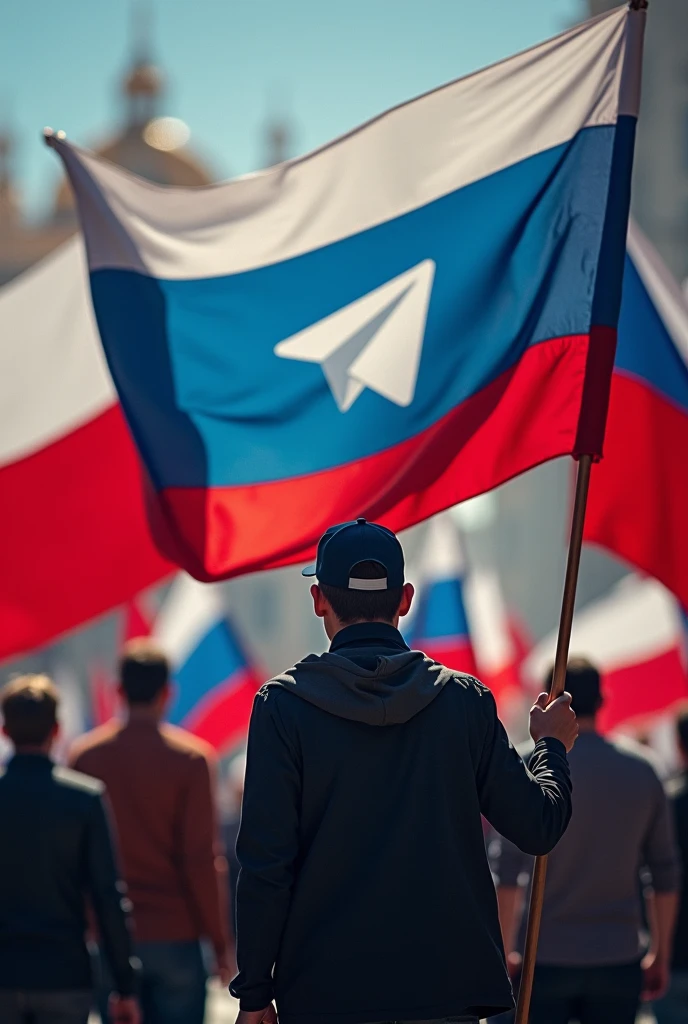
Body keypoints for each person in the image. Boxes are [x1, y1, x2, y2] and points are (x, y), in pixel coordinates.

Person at [229, 517, 578, 1024]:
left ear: (319, 600)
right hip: (446, 993)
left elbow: (265, 865)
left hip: (326, 994)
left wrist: (254, 992)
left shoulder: (283, 706)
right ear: (405, 598)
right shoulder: (464, 702)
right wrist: (550, 746)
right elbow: (538, 825)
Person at [492, 657, 680, 1024]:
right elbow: (664, 872)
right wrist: (661, 951)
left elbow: (507, 872)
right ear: (602, 700)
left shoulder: (524, 766)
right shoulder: (644, 770)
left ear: (546, 701)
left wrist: (505, 949)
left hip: (540, 957)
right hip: (618, 954)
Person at [69, 639, 231, 1024]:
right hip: (178, 935)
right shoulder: (192, 759)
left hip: (107, 939)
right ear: (168, 693)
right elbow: (200, 860)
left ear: (119, 691)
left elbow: (76, 860)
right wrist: (222, 944)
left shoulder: (86, 757)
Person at [0, 675, 139, 1024]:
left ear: (5, 731)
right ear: (57, 729)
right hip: (63, 973)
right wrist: (124, 984)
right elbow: (108, 896)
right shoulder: (84, 798)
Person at [654, 707, 688, 1023]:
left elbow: (659, 876)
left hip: (676, 952)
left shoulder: (667, 800)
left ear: (679, 744)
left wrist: (657, 953)